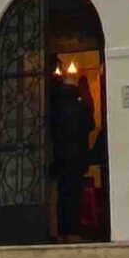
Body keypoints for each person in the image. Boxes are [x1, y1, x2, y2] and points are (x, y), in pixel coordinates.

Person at [48, 73, 93, 239]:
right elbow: (91, 125)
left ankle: (61, 231)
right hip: (77, 159)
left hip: (59, 157)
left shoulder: (54, 109)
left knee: (61, 194)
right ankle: (73, 231)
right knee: (75, 195)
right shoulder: (80, 107)